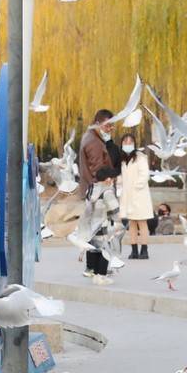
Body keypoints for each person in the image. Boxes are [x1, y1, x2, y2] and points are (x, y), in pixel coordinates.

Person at [78, 109, 121, 284]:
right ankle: (101, 274)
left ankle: (95, 270)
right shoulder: (94, 142)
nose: (110, 128)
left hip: (92, 190)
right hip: (99, 190)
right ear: (99, 122)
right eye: (108, 124)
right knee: (105, 233)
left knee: (95, 232)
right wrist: (111, 176)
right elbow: (98, 169)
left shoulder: (90, 137)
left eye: (112, 125)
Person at [119, 133, 153, 259]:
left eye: (130, 142)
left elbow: (144, 175)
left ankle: (144, 250)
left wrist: (136, 187)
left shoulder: (140, 157)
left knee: (142, 222)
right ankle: (134, 250)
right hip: (128, 196)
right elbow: (122, 177)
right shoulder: (123, 160)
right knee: (131, 222)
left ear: (134, 144)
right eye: (125, 142)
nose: (128, 145)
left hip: (139, 195)